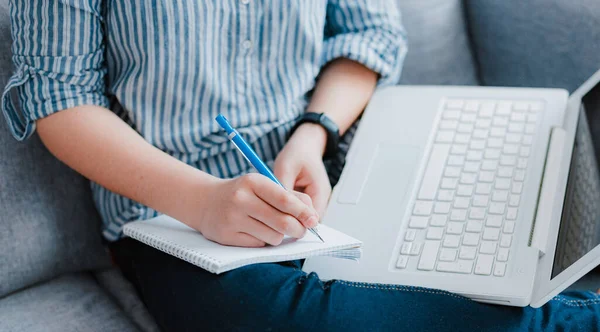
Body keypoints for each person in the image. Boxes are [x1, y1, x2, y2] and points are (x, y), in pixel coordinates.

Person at [3, 1, 600, 331]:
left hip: (326, 154)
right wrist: (204, 202)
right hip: (171, 213)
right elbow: (61, 100)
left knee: (502, 221)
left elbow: (368, 34)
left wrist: (316, 133)